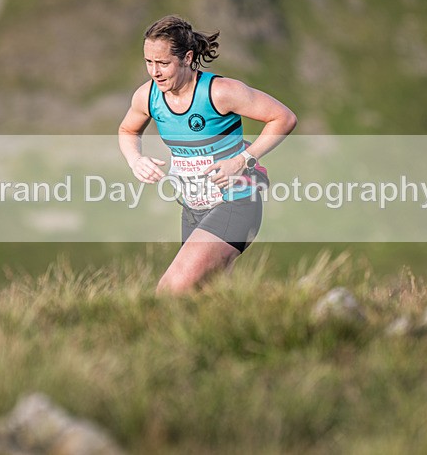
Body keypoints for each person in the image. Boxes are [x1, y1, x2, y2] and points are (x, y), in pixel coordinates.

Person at [118, 15, 297, 295]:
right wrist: (135, 160)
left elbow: (283, 118)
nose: (155, 71)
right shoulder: (148, 97)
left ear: (187, 57)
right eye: (149, 62)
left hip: (236, 203)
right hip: (193, 208)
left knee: (171, 290)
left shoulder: (220, 92)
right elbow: (128, 130)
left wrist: (242, 160)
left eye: (163, 63)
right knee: (205, 297)